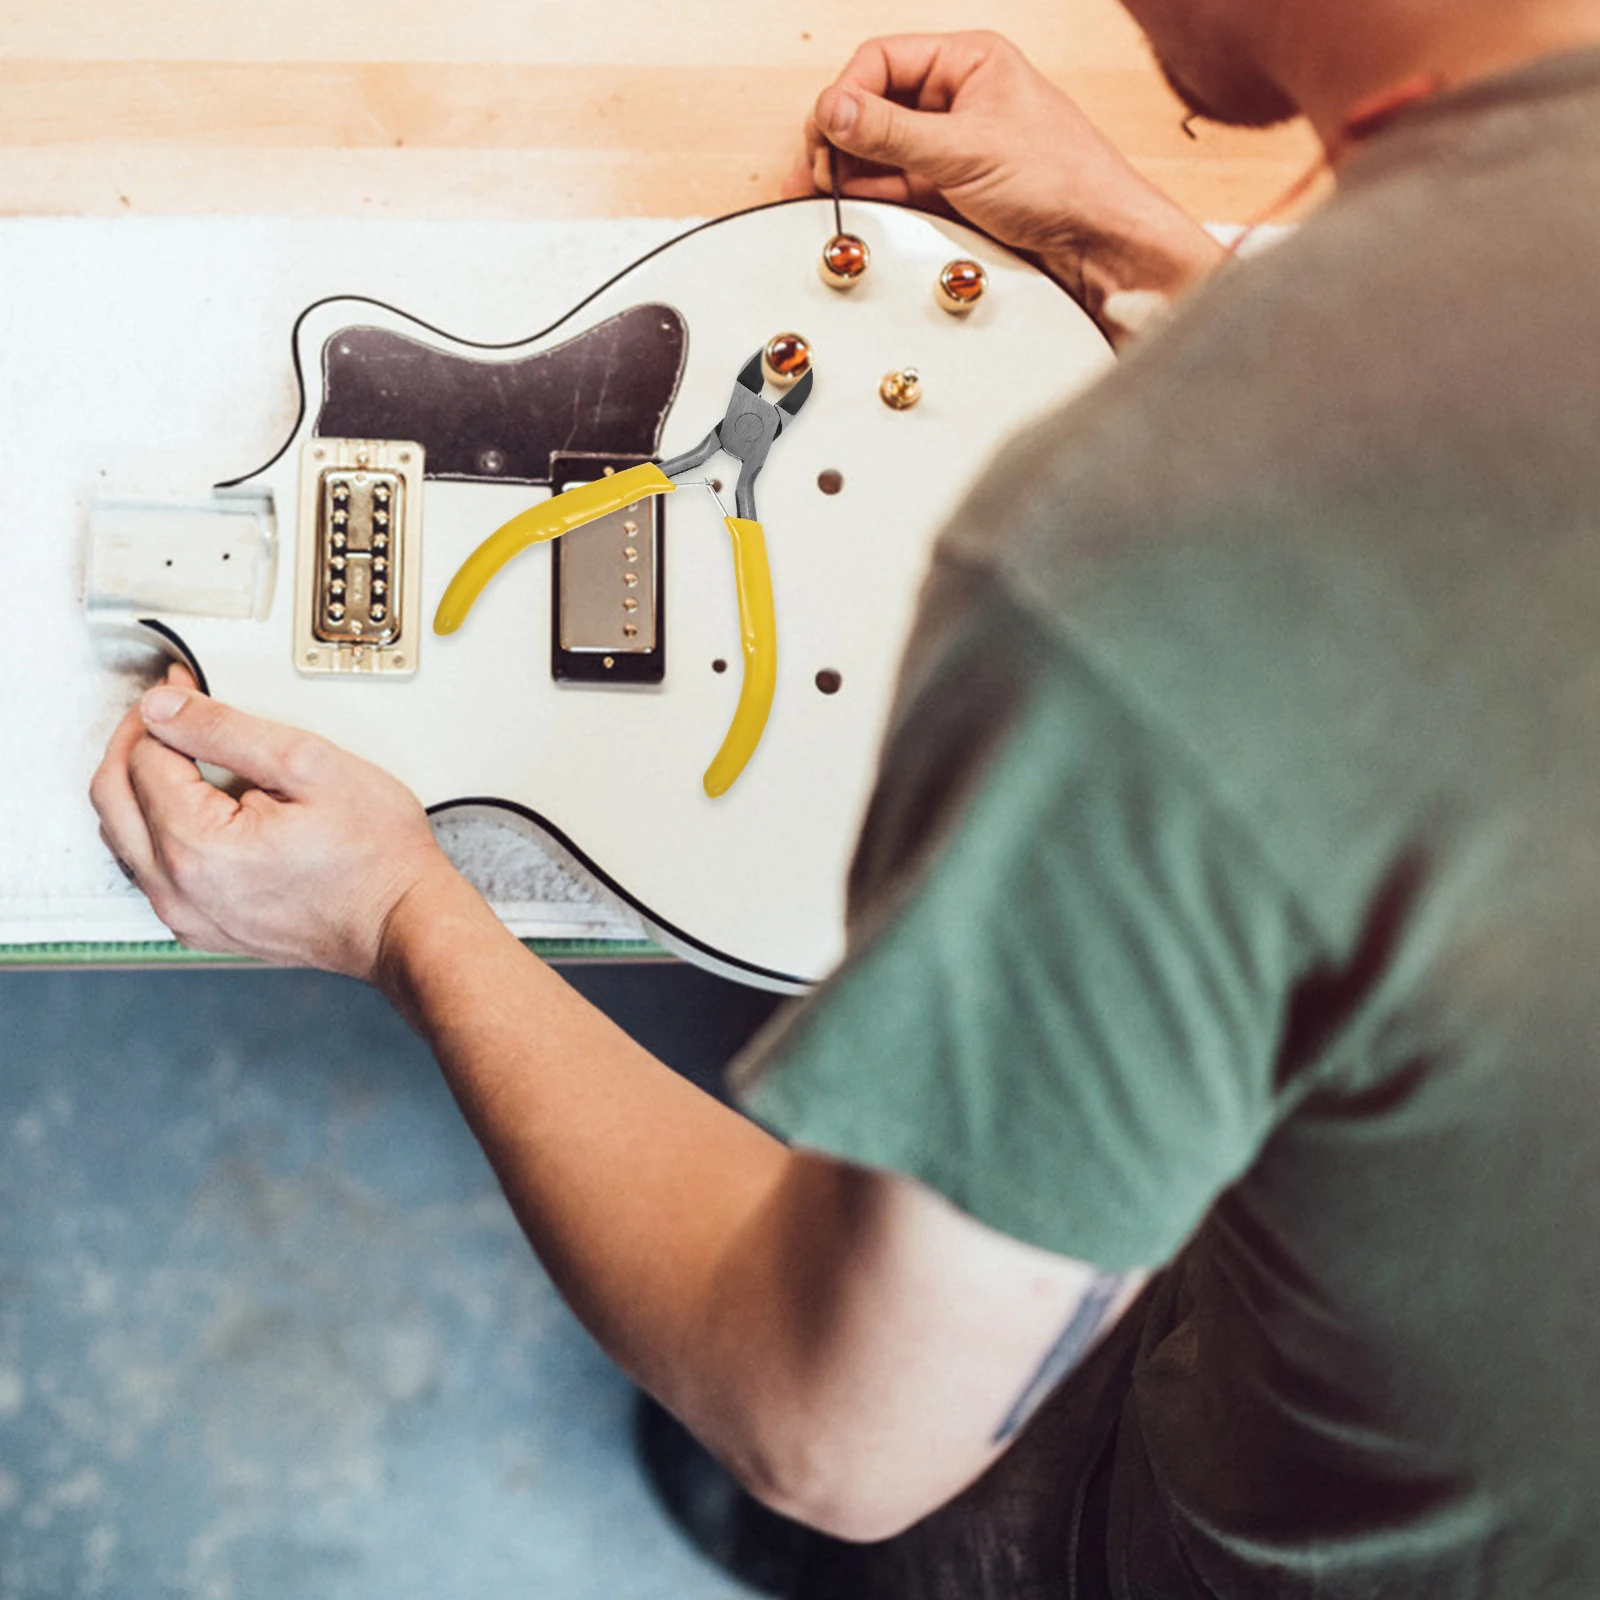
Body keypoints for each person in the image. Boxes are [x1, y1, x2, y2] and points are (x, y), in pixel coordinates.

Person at [91, 1, 1600, 1593]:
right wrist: (1157, 269)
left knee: (865, 1471)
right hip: (1392, 1283)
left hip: (1254, 1547)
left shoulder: (1143, 578)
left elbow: (829, 1426)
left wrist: (399, 912)